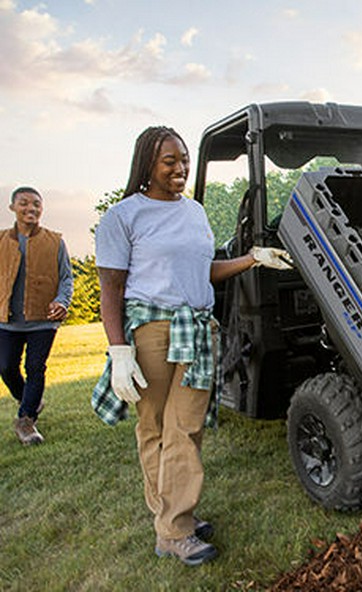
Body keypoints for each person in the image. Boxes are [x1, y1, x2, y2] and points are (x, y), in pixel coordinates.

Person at [92, 126, 291, 566]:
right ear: (147, 163)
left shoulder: (195, 213)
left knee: (185, 427)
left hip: (196, 330)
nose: (180, 168)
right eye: (170, 161)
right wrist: (119, 351)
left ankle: (173, 524)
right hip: (152, 333)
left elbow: (205, 271)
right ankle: (173, 525)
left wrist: (253, 258)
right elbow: (111, 288)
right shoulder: (124, 216)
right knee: (155, 429)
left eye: (183, 159)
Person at [1, 186, 73, 445]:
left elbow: (66, 279)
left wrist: (61, 301)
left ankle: (26, 420)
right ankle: (31, 399)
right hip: (7, 320)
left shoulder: (55, 241)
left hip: (43, 319)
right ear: (13, 207)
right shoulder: (1, 241)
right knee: (7, 367)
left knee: (35, 368)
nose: (31, 208)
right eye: (24, 203)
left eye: (36, 204)